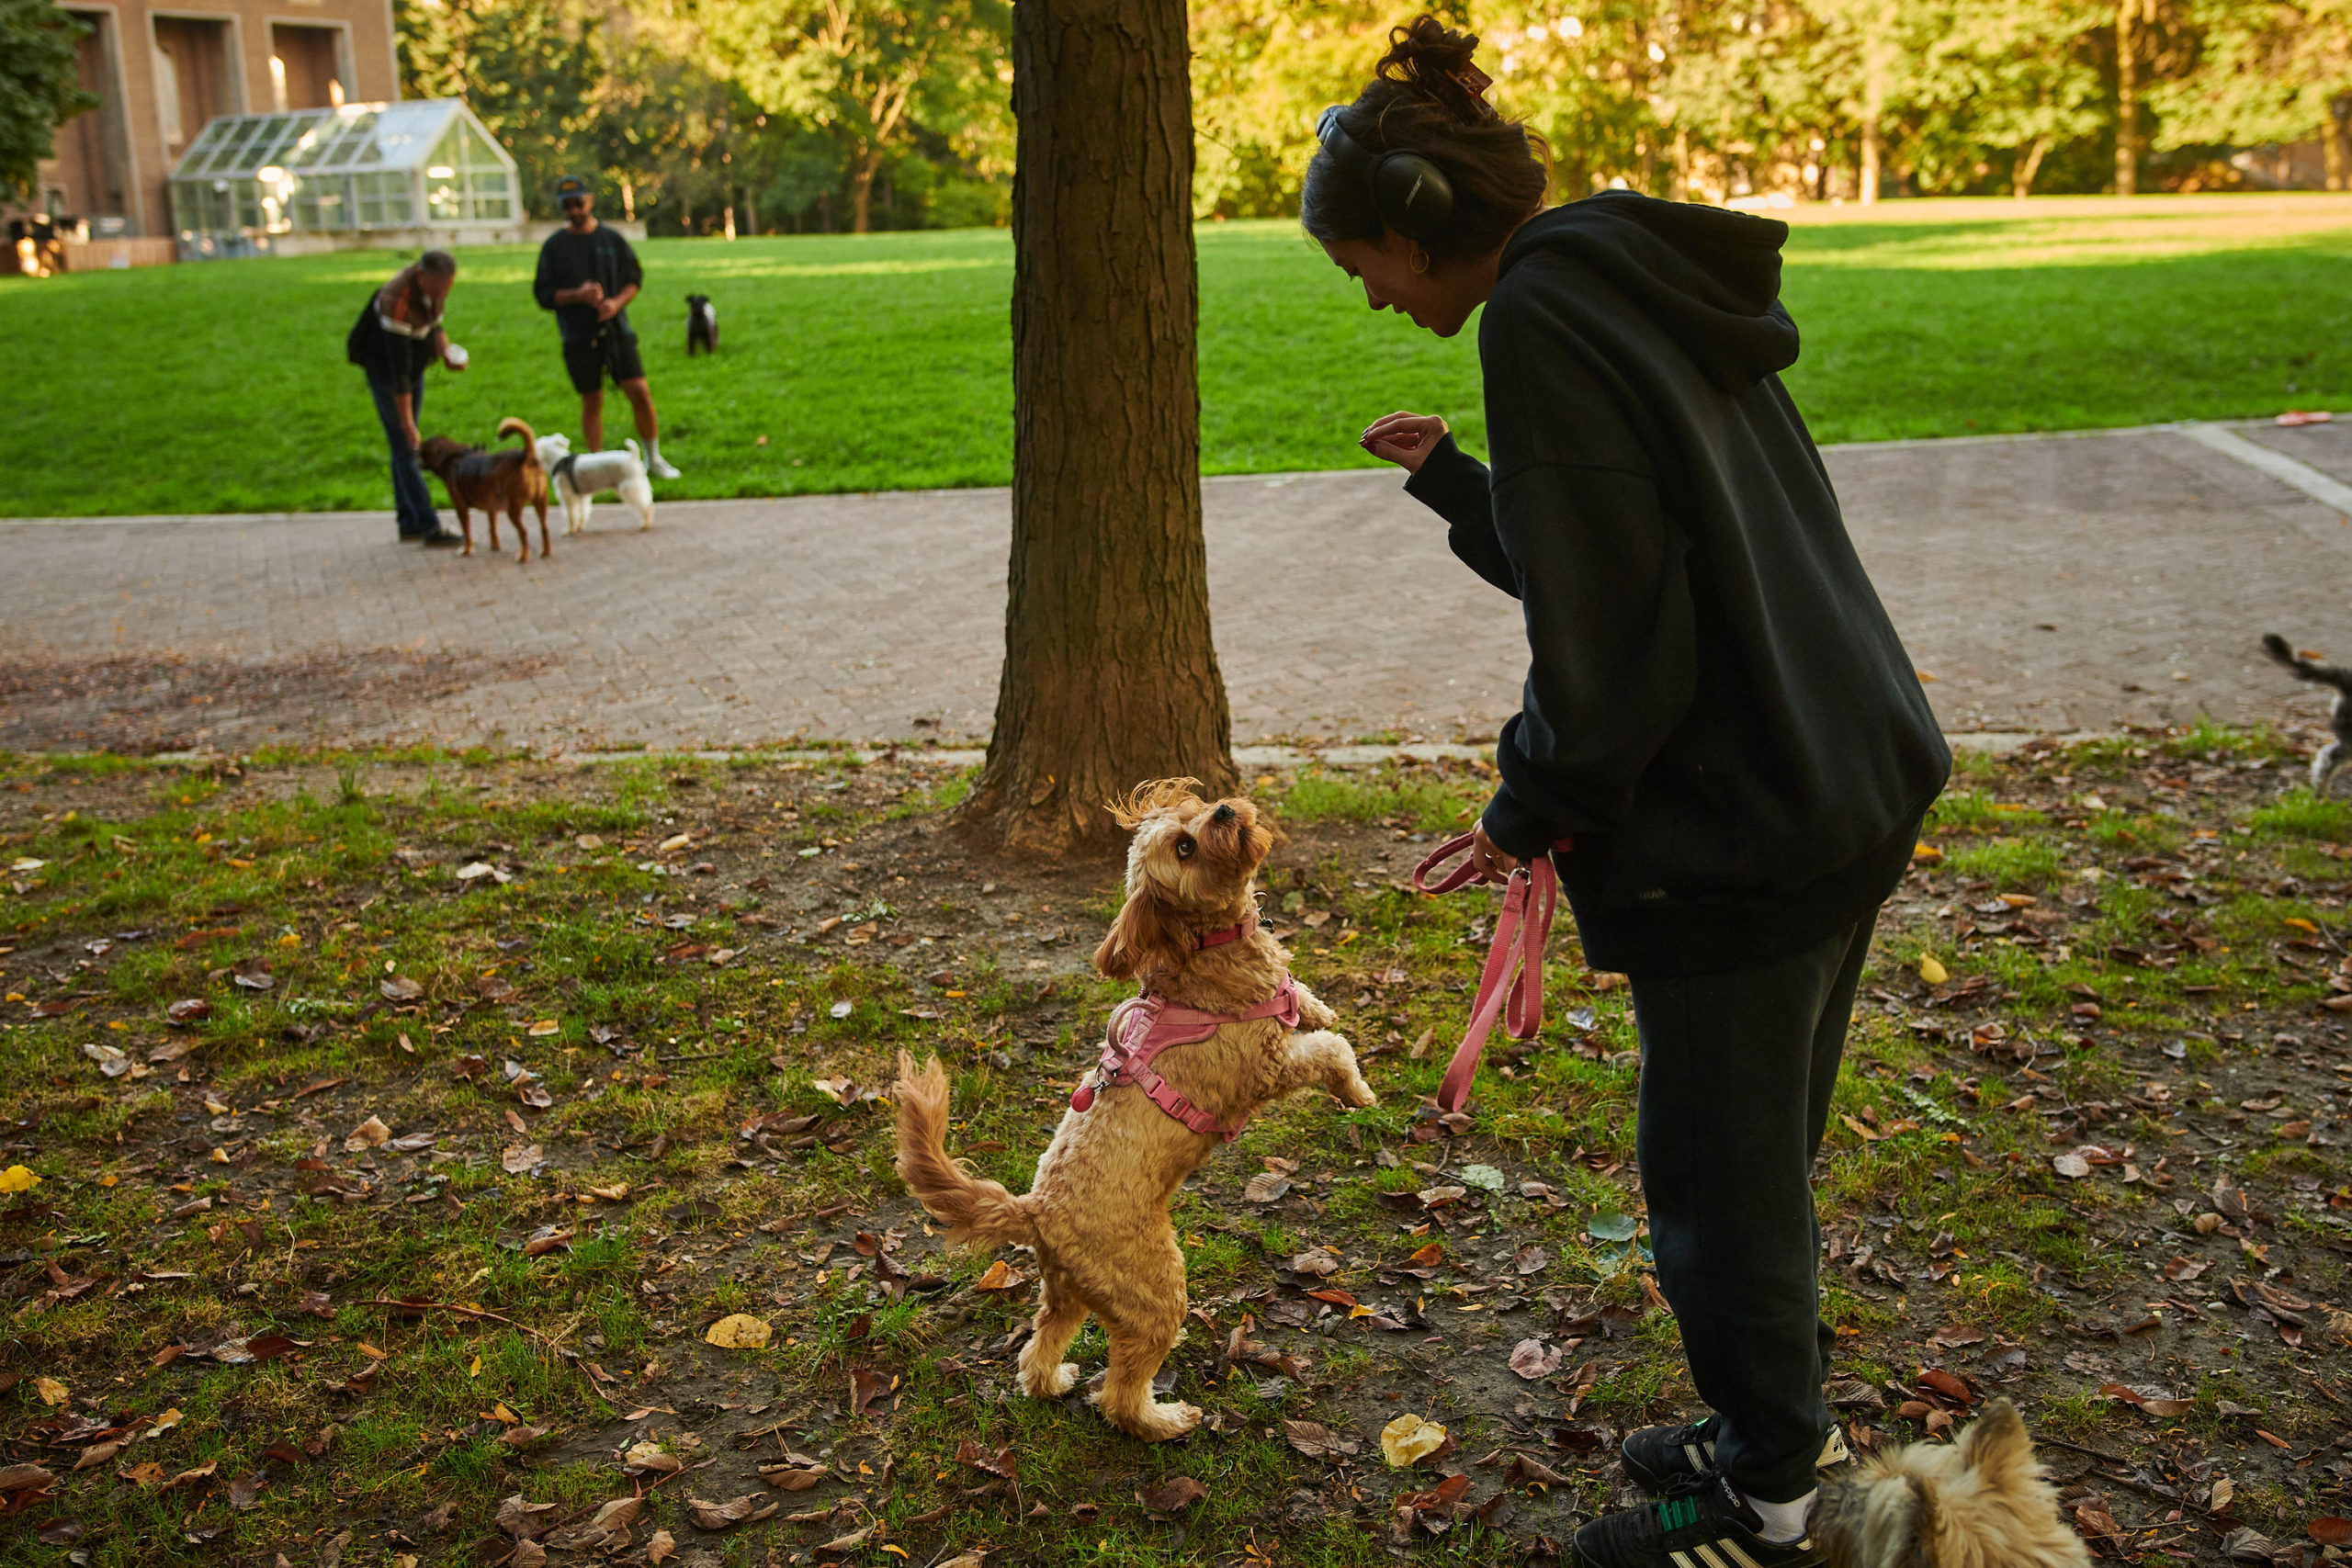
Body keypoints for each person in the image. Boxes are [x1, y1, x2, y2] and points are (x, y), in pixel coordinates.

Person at [1305, 17, 1950, 1568]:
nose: (1378, 301)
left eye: (1366, 266)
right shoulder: (1624, 273)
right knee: (1758, 1154)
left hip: (1741, 821)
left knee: (1717, 1187)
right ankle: (1761, 1427)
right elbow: (1636, 550)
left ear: (1414, 226)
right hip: (1840, 768)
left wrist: (1525, 803)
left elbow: (1614, 658)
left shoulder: (1541, 317)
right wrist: (1470, 486)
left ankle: (1777, 1503)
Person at [532, 175, 680, 478]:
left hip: (616, 331)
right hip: (577, 335)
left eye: (578, 203)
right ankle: (595, 465)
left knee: (639, 391)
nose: (574, 211)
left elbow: (634, 279)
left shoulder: (611, 240)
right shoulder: (554, 247)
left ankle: (653, 459)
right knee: (592, 398)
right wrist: (577, 295)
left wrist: (615, 304)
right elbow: (543, 295)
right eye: (567, 206)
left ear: (590, 201)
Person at [345, 249, 466, 545]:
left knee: (402, 449)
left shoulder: (435, 287)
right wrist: (408, 422)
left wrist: (444, 350)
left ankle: (409, 522)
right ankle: (429, 527)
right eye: (439, 288)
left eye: (447, 289)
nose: (443, 294)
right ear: (422, 276)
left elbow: (435, 326)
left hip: (413, 368)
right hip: (386, 372)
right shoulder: (394, 300)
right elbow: (398, 372)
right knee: (407, 445)